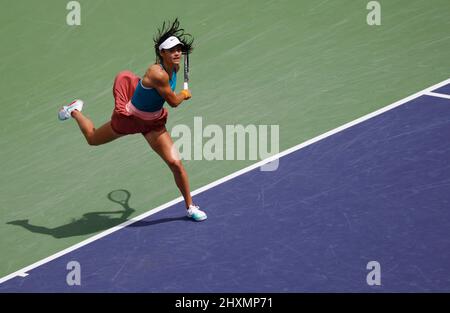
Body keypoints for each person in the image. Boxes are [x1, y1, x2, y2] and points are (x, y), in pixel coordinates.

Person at [57, 18, 207, 222]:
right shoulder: (158, 74)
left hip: (153, 123)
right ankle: (74, 111)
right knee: (92, 138)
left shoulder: (175, 68)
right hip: (130, 118)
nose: (177, 53)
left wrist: (178, 95)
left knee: (175, 163)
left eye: (179, 49)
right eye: (172, 50)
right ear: (162, 53)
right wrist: (184, 94)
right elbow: (173, 101)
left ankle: (190, 206)